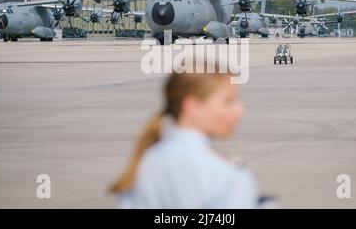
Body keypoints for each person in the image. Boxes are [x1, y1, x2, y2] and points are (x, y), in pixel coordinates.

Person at [109, 67, 260, 208]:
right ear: (193, 107)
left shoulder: (144, 165)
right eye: (228, 101)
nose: (240, 110)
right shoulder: (227, 176)